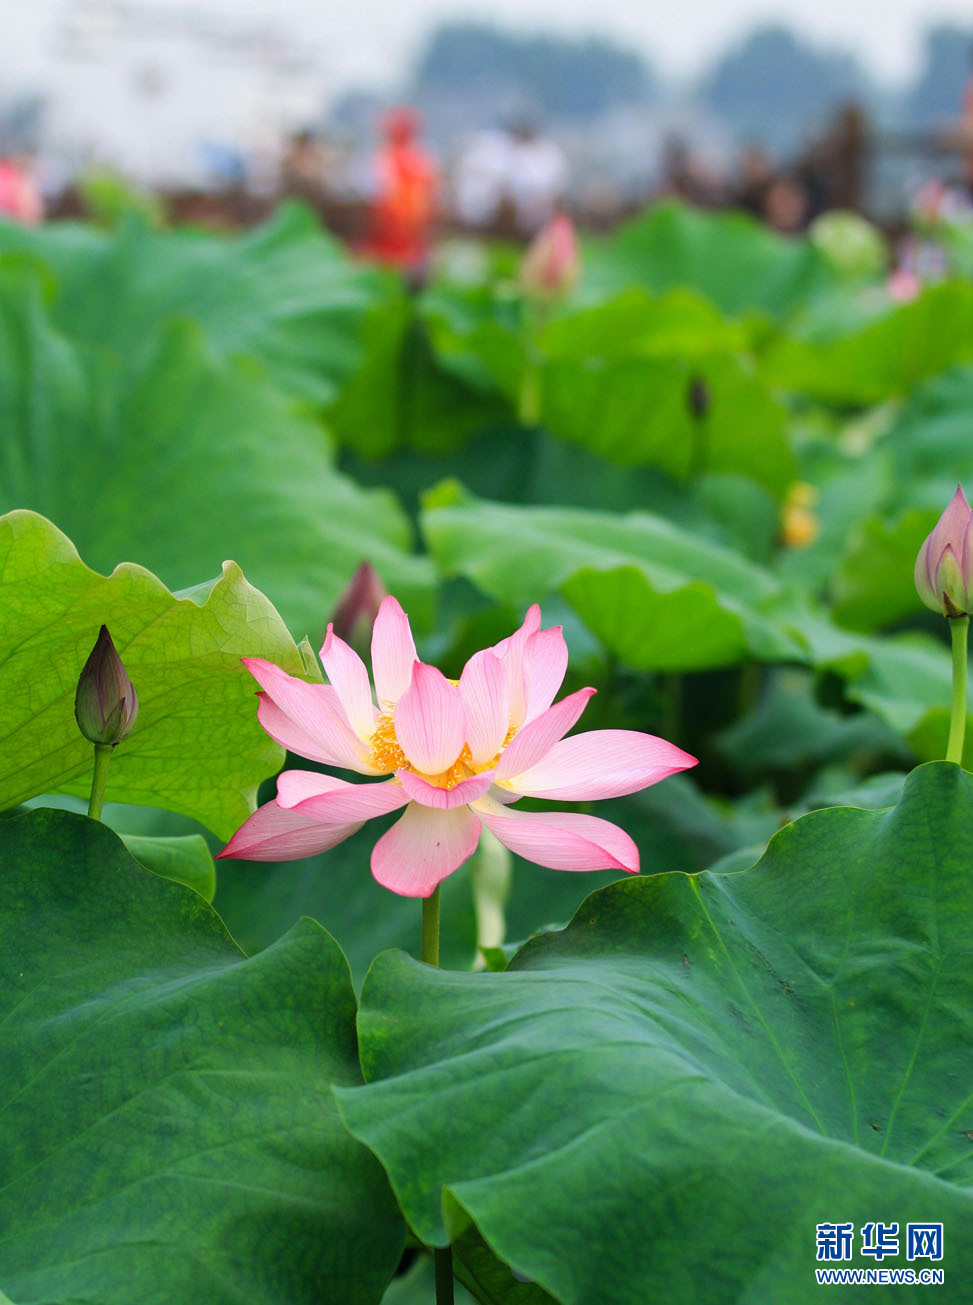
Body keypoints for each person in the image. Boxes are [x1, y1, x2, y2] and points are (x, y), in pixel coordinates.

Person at [359, 107, 438, 275]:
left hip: (404, 222)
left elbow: (374, 191)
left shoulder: (390, 157)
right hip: (398, 221)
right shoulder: (419, 157)